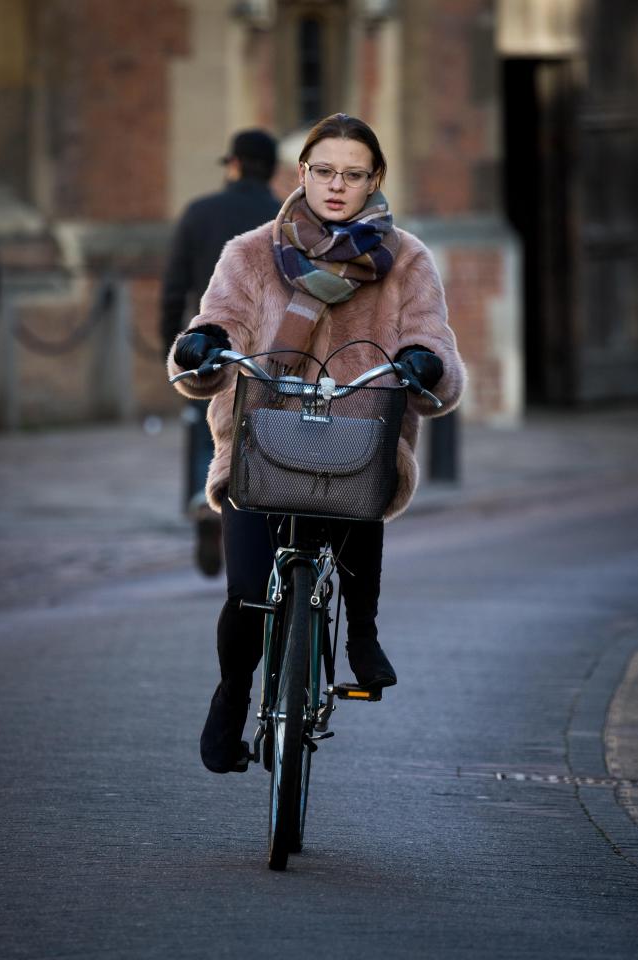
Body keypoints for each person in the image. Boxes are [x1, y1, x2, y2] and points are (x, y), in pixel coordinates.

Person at [167, 113, 466, 773]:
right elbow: (219, 320)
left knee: (364, 477)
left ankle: (361, 630)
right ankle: (232, 694)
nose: (336, 186)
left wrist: (422, 362)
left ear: (374, 180)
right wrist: (202, 344)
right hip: (258, 439)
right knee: (246, 590)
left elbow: (430, 336)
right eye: (324, 171)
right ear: (301, 173)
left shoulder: (407, 259)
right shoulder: (249, 252)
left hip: (355, 441)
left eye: (353, 174)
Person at [160, 129, 280, 575]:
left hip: (210, 349)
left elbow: (173, 291)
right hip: (271, 352)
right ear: (271, 169)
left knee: (206, 432)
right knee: (267, 437)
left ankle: (206, 504)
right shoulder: (282, 217)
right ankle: (258, 520)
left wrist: (171, 353)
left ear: (233, 165)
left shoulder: (199, 213)